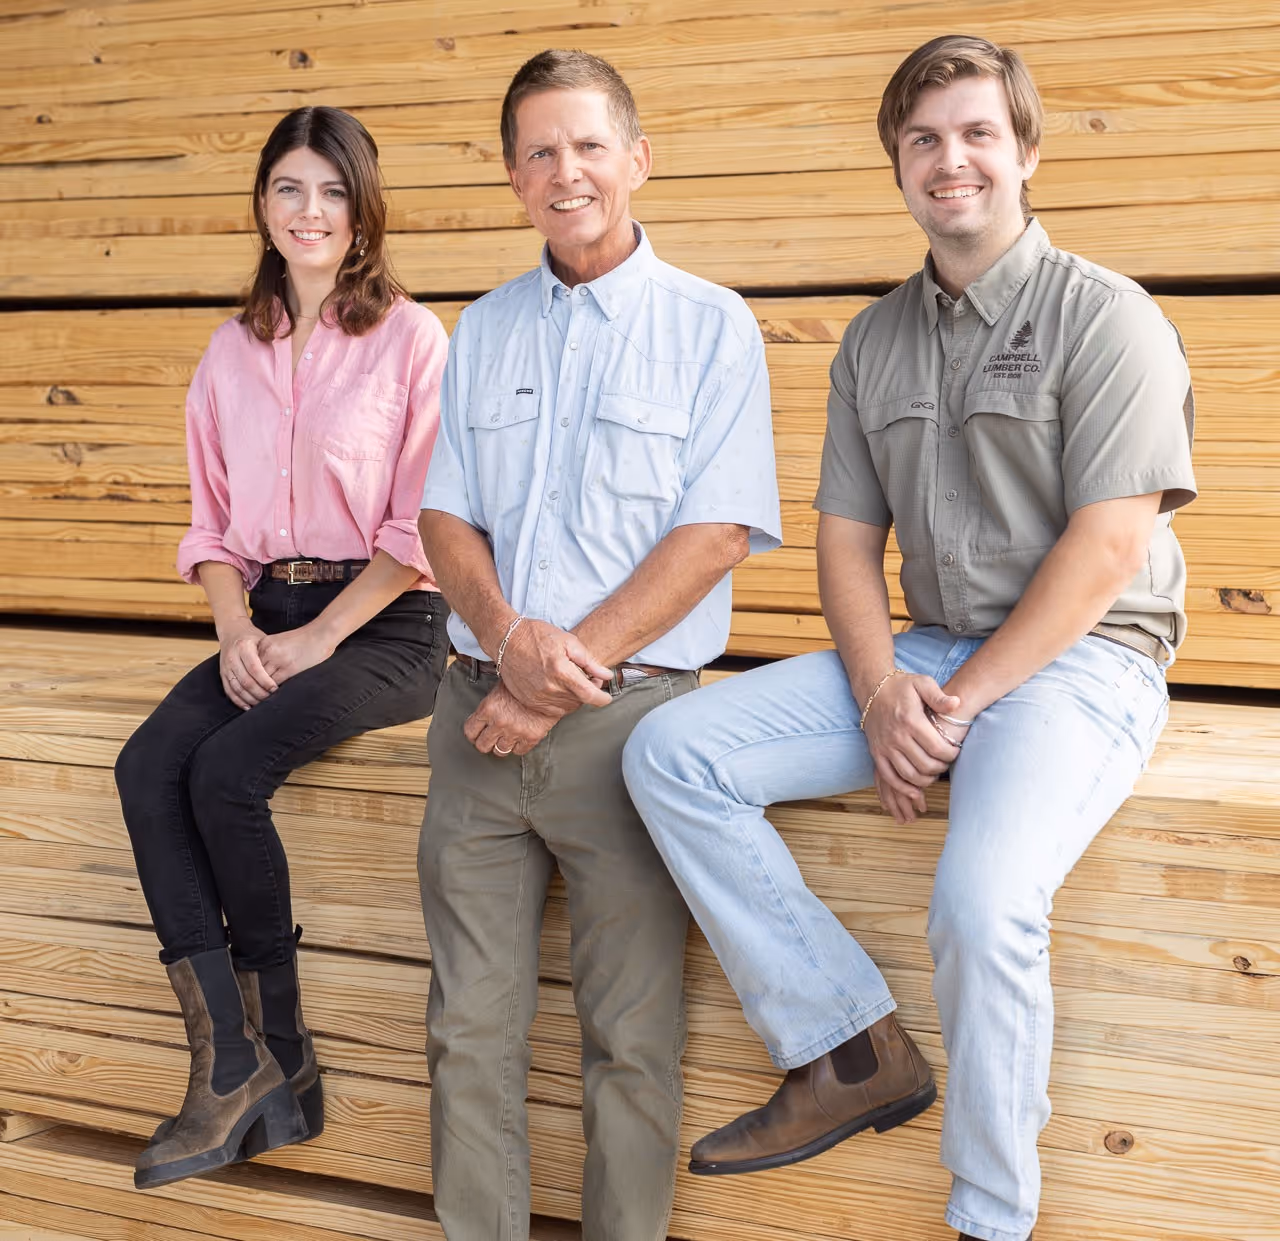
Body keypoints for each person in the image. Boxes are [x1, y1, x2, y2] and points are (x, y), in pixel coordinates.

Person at [623, 34, 1195, 1241]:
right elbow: (842, 542)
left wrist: (955, 701)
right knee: (670, 753)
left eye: (978, 133)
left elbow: (1102, 550)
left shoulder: (1106, 317)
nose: (952, 161)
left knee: (982, 900)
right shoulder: (872, 341)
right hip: (927, 654)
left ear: (1025, 152)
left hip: (1083, 661)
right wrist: (884, 688)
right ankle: (845, 1046)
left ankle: (989, 1218)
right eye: (924, 139)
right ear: (896, 163)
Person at [416, 49, 781, 1241]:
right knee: (466, 1028)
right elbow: (442, 516)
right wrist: (511, 641)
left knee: (630, 1038)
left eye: (585, 145)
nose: (563, 171)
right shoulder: (482, 328)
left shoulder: (710, 326)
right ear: (512, 178)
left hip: (633, 728)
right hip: (473, 721)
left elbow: (716, 528)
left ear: (635, 158)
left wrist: (553, 675)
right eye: (537, 152)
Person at [114, 105, 450, 1190]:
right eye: (289, 189)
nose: (310, 212)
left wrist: (315, 643)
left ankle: (283, 1052)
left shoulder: (411, 338)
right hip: (260, 611)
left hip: (388, 622)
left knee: (227, 769)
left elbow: (422, 530)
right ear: (262, 203)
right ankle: (232, 1062)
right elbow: (209, 527)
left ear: (363, 210)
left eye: (331, 191)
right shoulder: (229, 351)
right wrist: (236, 631)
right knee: (145, 762)